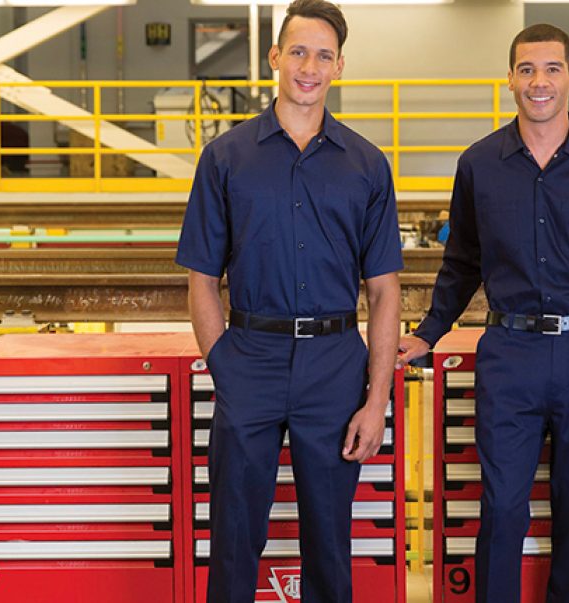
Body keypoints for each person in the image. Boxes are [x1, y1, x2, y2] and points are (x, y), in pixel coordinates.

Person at [397, 23, 569, 603]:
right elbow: (462, 262)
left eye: (551, 69)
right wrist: (428, 333)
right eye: (526, 70)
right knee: (500, 511)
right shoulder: (479, 165)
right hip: (510, 357)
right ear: (510, 79)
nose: (539, 82)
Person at [176, 1, 403, 601]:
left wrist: (376, 398)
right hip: (248, 356)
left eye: (323, 55)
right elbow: (201, 277)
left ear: (340, 66)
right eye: (298, 52)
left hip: (334, 367)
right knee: (233, 534)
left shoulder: (366, 165)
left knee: (328, 540)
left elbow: (383, 291)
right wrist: (224, 362)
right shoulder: (226, 158)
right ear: (275, 58)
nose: (309, 66)